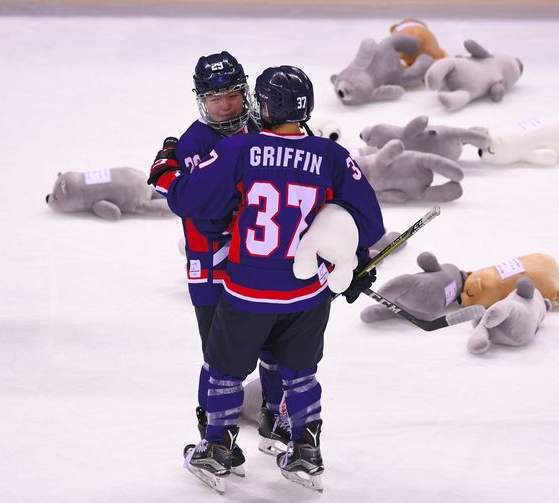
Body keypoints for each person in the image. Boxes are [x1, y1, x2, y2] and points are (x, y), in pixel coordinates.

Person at [148, 65, 384, 493]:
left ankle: (217, 449)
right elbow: (368, 224)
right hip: (306, 292)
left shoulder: (241, 149)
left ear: (263, 105)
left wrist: (168, 172)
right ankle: (305, 451)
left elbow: (197, 202)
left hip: (248, 290)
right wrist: (352, 259)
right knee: (301, 372)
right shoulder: (332, 156)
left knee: (223, 369)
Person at [150, 51, 290, 472]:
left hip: (257, 262)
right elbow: (198, 208)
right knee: (219, 353)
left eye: (231, 94)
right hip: (211, 264)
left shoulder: (261, 129)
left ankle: (273, 414)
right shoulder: (193, 142)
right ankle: (212, 431)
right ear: (201, 100)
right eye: (214, 98)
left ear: (244, 92)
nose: (225, 105)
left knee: (273, 342)